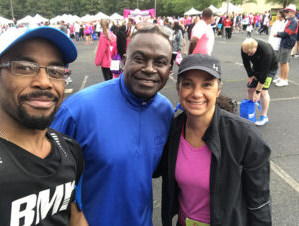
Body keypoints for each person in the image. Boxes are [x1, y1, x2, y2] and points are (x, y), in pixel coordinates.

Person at [51, 22, 174, 226]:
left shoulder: (165, 111)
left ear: (169, 69)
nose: (150, 69)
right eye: (139, 59)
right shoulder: (78, 110)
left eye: (160, 62)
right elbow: (46, 182)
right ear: (124, 61)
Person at [160, 54, 271, 226]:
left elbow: (259, 203)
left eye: (207, 84)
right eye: (188, 84)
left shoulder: (245, 136)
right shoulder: (173, 130)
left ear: (218, 90)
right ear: (178, 89)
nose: (196, 93)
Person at [0, 26, 87, 225]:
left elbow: (76, 218)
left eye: (55, 71)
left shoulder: (70, 150)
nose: (44, 82)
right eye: (24, 67)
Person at [241, 38, 278, 126]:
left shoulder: (266, 51)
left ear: (256, 47)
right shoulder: (245, 48)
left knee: (263, 92)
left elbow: (264, 74)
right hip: (256, 67)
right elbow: (246, 62)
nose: (249, 55)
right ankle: (249, 113)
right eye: (247, 53)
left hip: (269, 69)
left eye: (250, 53)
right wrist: (250, 75)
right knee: (250, 89)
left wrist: (257, 92)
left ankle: (264, 116)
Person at [274, 4, 298, 87]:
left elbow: (288, 33)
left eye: (287, 11)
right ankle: (282, 77)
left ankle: (285, 79)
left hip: (287, 44)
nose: (286, 13)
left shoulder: (293, 21)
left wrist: (277, 34)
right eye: (285, 11)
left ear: (292, 12)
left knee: (284, 62)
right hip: (284, 42)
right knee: (282, 62)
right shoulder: (289, 20)